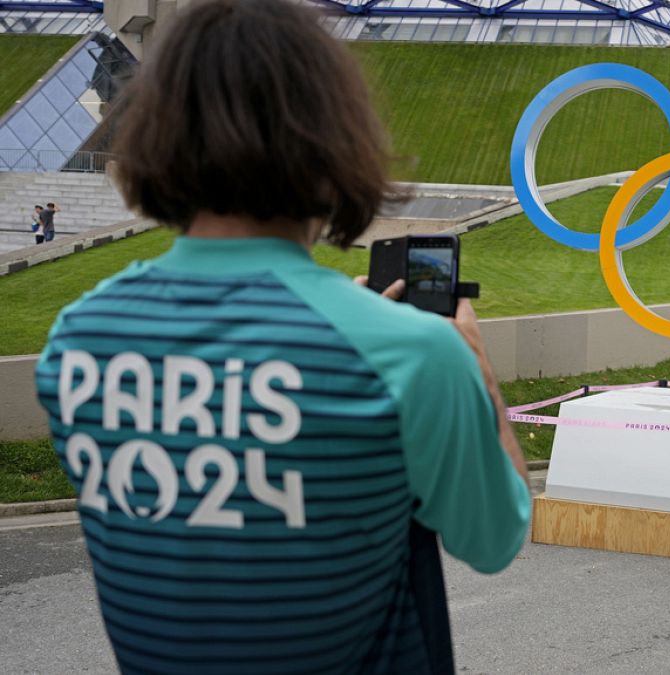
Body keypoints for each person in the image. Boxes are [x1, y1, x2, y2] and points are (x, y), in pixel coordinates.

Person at [34, 1, 530, 672]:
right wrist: (479, 375)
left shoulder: (77, 340)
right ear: (331, 142)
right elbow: (495, 538)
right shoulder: (415, 355)